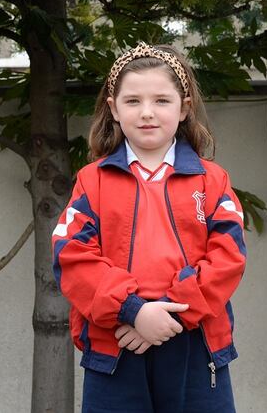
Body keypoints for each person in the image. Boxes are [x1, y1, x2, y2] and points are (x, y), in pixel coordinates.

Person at [52, 42, 246, 412]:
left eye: (161, 100)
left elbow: (229, 257)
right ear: (113, 109)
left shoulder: (213, 181)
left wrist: (173, 314)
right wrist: (134, 311)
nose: (146, 113)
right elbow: (71, 256)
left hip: (196, 342)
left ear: (184, 107)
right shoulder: (91, 181)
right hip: (117, 343)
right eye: (132, 101)